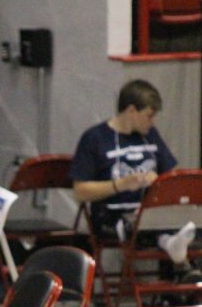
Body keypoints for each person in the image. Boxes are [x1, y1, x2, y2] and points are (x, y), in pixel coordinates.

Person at [70, 79, 178, 244]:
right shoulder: (95, 138)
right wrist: (121, 184)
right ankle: (169, 244)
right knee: (135, 226)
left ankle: (171, 244)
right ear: (131, 111)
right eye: (149, 116)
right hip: (110, 214)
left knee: (182, 223)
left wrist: (157, 182)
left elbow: (171, 178)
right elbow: (80, 191)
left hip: (145, 211)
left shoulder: (150, 135)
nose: (152, 121)